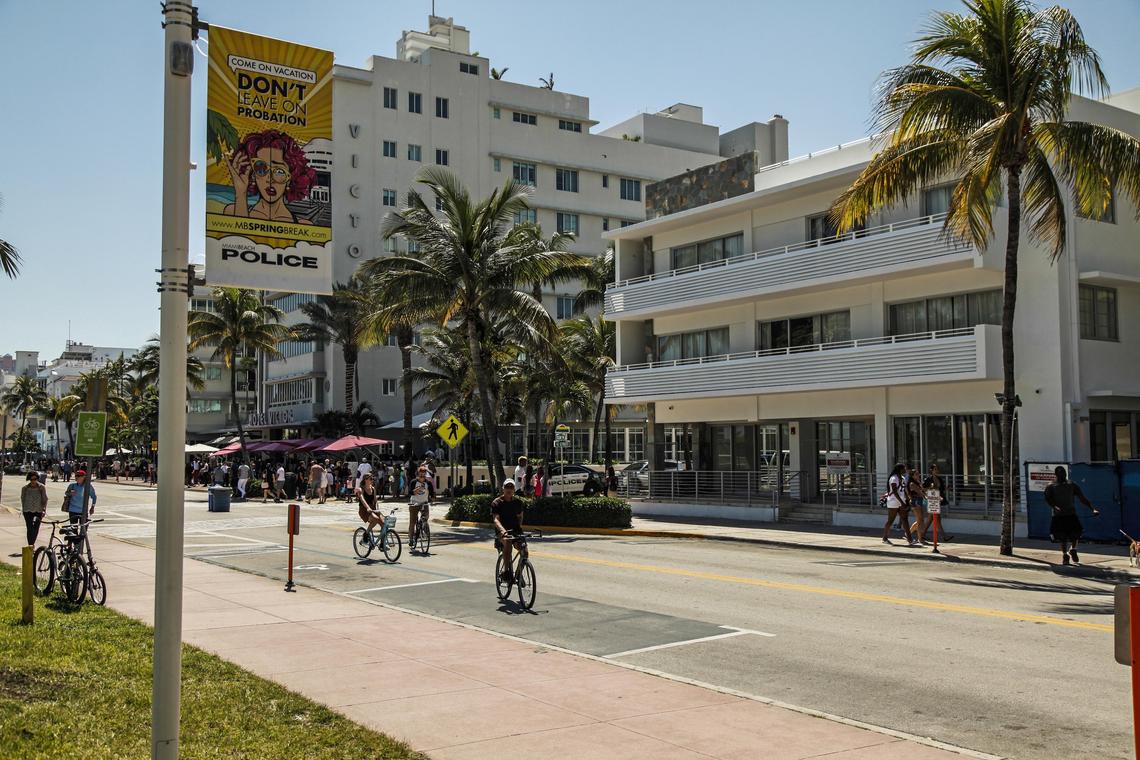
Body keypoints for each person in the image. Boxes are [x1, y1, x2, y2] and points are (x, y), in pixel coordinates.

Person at [222, 129, 317, 224]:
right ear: (253, 175)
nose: (269, 179)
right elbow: (238, 238)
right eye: (261, 168)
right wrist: (241, 194)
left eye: (279, 171)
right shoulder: (232, 211)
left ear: (290, 179)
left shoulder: (304, 225)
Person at [1045, 466, 1099, 565]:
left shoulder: (1071, 485)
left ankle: (1073, 549)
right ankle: (1065, 555)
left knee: (1076, 533)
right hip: (1058, 516)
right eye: (1060, 474)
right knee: (1062, 537)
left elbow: (1082, 498)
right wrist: (1054, 506)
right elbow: (1048, 499)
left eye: (1064, 474)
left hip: (1071, 514)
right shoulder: (1051, 486)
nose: (1062, 476)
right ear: (1056, 475)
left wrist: (1093, 509)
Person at [492, 479, 525, 583]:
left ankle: (519, 574)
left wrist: (519, 528)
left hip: (515, 531)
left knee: (525, 552)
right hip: (502, 532)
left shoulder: (518, 502)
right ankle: (506, 572)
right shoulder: (497, 503)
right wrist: (502, 530)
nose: (509, 489)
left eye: (511, 487)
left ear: (514, 489)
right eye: (507, 487)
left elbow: (520, 516)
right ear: (503, 489)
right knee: (507, 541)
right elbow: (496, 519)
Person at [881, 463, 911, 545]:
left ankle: (910, 539)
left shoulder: (902, 478)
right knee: (891, 520)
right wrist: (902, 502)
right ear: (900, 469)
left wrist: (907, 499)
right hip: (893, 502)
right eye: (904, 468)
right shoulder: (894, 478)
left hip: (901, 501)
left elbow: (903, 490)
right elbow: (894, 491)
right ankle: (885, 537)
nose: (905, 470)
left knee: (905, 519)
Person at [407, 465, 435, 541]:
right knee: (412, 522)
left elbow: (432, 494)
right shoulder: (413, 482)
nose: (422, 476)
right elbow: (410, 493)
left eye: (424, 474)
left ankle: (423, 528)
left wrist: (432, 499)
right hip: (414, 503)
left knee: (425, 518)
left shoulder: (428, 483)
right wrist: (418, 489)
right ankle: (411, 539)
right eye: (421, 474)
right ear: (418, 474)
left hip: (424, 503)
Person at [21, 470, 48, 546]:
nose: (33, 481)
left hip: (38, 511)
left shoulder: (41, 487)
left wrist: (44, 510)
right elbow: (22, 499)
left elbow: (45, 499)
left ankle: (32, 544)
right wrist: (23, 509)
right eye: (32, 479)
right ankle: (30, 545)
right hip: (27, 511)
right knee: (29, 529)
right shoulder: (25, 488)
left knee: (35, 529)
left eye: (35, 479)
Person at [905, 465, 927, 546]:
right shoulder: (912, 484)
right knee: (920, 520)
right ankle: (920, 538)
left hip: (919, 501)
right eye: (916, 474)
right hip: (916, 501)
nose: (918, 475)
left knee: (920, 520)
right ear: (912, 475)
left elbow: (923, 490)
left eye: (918, 474)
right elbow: (920, 492)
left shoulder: (917, 482)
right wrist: (926, 496)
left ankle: (909, 534)